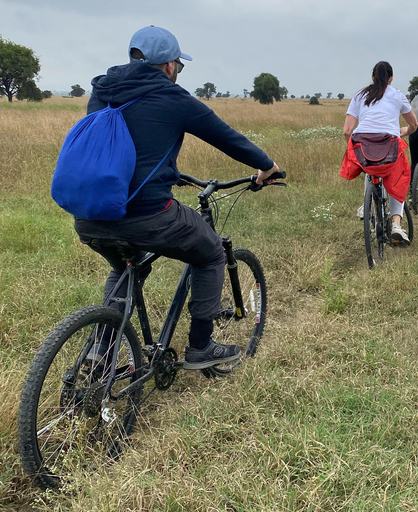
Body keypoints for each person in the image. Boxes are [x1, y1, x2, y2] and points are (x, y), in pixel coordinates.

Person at [74, 25, 281, 369]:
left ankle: (101, 350)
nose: (177, 72)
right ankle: (201, 346)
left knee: (128, 267)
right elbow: (227, 138)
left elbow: (123, 149)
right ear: (170, 66)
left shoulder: (103, 91)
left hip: (90, 214)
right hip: (147, 214)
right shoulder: (174, 97)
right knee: (212, 253)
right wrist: (267, 165)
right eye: (178, 66)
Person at [340, 61, 418, 243]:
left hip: (362, 141)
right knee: (398, 179)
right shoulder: (397, 95)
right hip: (389, 141)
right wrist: (406, 131)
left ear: (372, 77)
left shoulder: (360, 95)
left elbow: (347, 130)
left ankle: (365, 206)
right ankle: (396, 224)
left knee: (369, 168)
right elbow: (414, 124)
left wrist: (352, 150)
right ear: (391, 79)